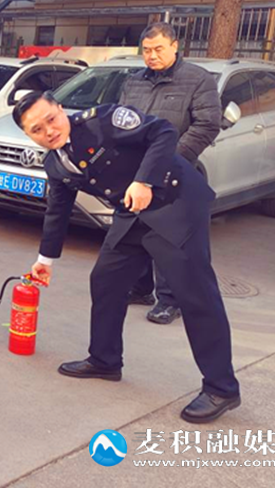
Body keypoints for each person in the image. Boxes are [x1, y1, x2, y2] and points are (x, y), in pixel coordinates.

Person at [16, 92, 241, 424]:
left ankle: (222, 388)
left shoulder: (103, 121)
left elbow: (163, 132)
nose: (48, 131)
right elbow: (58, 210)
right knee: (106, 280)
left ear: (61, 109)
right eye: (37, 129)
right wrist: (45, 260)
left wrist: (143, 181)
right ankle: (105, 360)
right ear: (28, 135)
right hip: (133, 212)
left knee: (195, 294)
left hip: (175, 201)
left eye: (51, 119)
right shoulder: (55, 163)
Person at [121, 22, 222, 325]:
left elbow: (207, 125)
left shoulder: (197, 79)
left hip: (174, 172)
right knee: (134, 230)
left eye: (158, 49)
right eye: (146, 50)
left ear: (175, 46)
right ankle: (140, 288)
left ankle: (170, 300)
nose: (151, 56)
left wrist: (169, 160)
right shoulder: (134, 82)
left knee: (167, 238)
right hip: (137, 172)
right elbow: (122, 120)